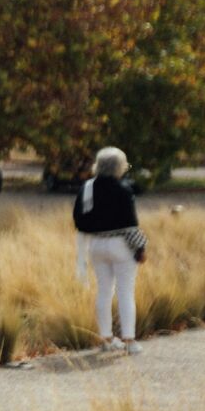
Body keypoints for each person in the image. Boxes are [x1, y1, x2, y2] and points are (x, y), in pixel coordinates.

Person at [72, 146, 148, 354]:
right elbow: (131, 224)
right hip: (120, 245)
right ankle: (129, 340)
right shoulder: (123, 189)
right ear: (118, 166)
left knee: (104, 291)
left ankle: (106, 338)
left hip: (96, 245)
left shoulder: (87, 188)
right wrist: (140, 248)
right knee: (125, 292)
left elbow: (78, 220)